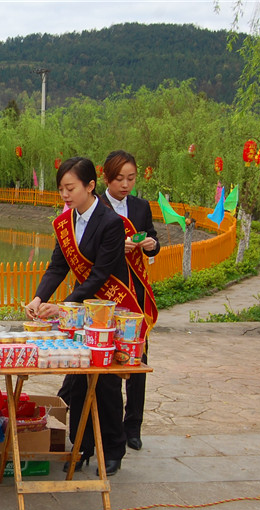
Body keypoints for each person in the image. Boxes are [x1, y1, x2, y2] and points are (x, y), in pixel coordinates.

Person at [26, 156, 139, 477]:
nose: (65, 194)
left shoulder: (111, 222)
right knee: (77, 378)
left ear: (90, 186)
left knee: (105, 382)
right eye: (61, 188)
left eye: (70, 188)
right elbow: (58, 266)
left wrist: (63, 305)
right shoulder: (66, 222)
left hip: (107, 309)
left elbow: (101, 274)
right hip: (79, 309)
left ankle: (113, 448)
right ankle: (81, 445)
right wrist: (39, 298)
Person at [99, 150, 159, 452]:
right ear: (106, 178)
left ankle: (133, 425)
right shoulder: (96, 206)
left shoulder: (140, 206)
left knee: (138, 359)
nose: (125, 185)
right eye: (119, 179)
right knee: (107, 363)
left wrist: (150, 245)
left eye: (131, 179)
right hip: (107, 291)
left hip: (135, 294)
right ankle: (109, 429)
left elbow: (153, 240)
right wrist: (113, 249)